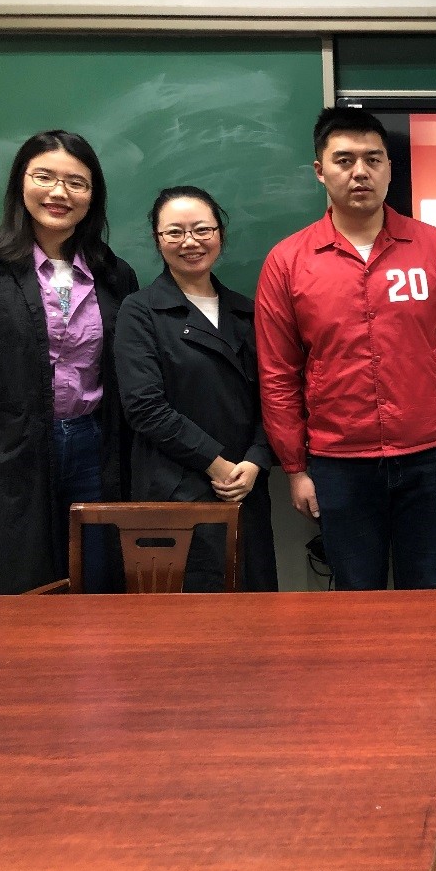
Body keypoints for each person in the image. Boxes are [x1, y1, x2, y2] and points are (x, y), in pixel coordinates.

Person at [256, 107, 436, 590]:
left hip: (430, 455)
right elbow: (278, 374)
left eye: (372, 159)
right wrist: (295, 468)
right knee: (356, 597)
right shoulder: (288, 261)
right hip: (339, 462)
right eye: (344, 160)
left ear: (389, 168)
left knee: (427, 592)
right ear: (320, 171)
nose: (359, 172)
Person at [0, 130, 138, 595]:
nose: (59, 193)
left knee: (95, 575)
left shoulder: (115, 274)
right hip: (6, 448)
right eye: (44, 177)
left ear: (92, 196)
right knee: (17, 579)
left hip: (92, 443)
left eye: (76, 182)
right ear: (20, 183)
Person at [115, 187, 278, 592]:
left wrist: (256, 460)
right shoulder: (140, 311)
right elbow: (144, 407)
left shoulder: (247, 311)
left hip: (246, 486)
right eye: (175, 232)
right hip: (175, 489)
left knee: (254, 608)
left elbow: (274, 395)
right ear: (158, 240)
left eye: (202, 229)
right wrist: (217, 465)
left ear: (220, 234)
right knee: (188, 617)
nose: (190, 242)